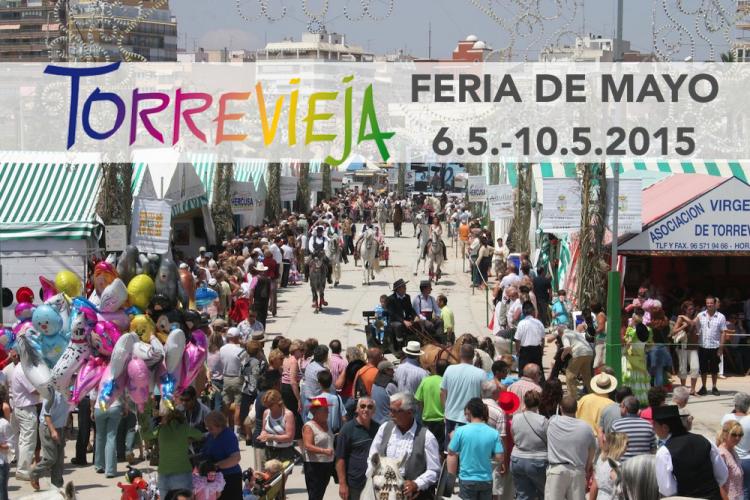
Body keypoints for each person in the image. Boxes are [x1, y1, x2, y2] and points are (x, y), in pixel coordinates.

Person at [368, 393, 441, 499]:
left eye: (395, 411)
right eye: (390, 410)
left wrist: (416, 484)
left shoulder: (427, 437)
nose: (390, 414)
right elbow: (372, 456)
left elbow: (434, 470)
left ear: (409, 412)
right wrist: (373, 477)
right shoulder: (384, 428)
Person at [653, 405, 728, 499]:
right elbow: (722, 474)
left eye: (654, 425)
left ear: (665, 427)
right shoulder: (705, 440)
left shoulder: (664, 452)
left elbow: (667, 489)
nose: (653, 429)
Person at [447, 398, 504, 500]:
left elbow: (451, 453)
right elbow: (499, 457)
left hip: (467, 479)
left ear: (469, 412)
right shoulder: (494, 433)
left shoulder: (460, 431)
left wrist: (450, 479)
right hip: (486, 479)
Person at [545, 396, 596, 500]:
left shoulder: (553, 421)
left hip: (556, 471)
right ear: (576, 409)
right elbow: (592, 450)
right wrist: (587, 468)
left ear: (561, 408)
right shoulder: (586, 427)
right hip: (577, 471)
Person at [145, 408, 203, 499]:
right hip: (183, 473)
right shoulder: (185, 428)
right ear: (182, 419)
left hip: (164, 474)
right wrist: (190, 439)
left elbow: (147, 435)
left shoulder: (160, 429)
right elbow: (200, 435)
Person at [441, 344, 487, 445]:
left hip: (451, 416)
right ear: (473, 356)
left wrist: (445, 410)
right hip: (471, 419)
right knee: (468, 450)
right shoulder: (481, 373)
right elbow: (484, 396)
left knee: (451, 450)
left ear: (460, 354)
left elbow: (443, 392)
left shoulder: (449, 369)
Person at [336, 397, 379, 500]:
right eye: (362, 406)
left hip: (374, 483)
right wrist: (342, 484)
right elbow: (340, 459)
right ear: (357, 409)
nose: (366, 409)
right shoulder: (347, 429)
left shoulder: (378, 429)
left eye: (370, 407)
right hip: (355, 484)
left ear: (374, 411)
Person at [511, 390, 548, 500]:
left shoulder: (516, 418)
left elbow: (513, 436)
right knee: (545, 493)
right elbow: (548, 439)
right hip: (538, 460)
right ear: (539, 403)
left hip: (517, 459)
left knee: (523, 495)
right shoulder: (543, 420)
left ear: (524, 402)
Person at [29, 391, 69, 490]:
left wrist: (65, 427)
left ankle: (57, 485)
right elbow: (46, 414)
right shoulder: (52, 393)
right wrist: (53, 430)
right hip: (48, 427)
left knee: (59, 460)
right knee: (50, 458)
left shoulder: (68, 392)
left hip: (60, 427)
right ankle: (34, 472)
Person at [202, 411, 243, 500]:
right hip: (215, 478)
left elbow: (236, 458)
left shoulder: (228, 436)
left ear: (219, 425)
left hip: (230, 477)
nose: (208, 430)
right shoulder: (211, 436)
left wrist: (216, 465)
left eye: (210, 427)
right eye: (207, 427)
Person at [302, 397, 335, 500]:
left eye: (327, 410)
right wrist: (324, 451)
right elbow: (307, 446)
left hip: (327, 464)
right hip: (314, 465)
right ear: (315, 411)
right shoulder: (309, 426)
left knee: (319, 494)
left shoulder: (327, 424)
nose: (328, 412)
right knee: (315, 495)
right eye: (325, 410)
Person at [10, 365, 39, 481]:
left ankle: (22, 468)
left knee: (24, 441)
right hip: (26, 409)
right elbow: (34, 389)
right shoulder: (22, 370)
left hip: (22, 408)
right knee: (28, 441)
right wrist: (49, 389)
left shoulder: (20, 368)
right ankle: (23, 470)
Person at [415, 358, 448, 454]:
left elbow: (418, 400)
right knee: (440, 449)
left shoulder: (426, 381)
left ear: (436, 369)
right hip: (442, 420)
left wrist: (423, 412)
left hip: (427, 420)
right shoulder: (447, 382)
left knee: (427, 447)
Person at [698, 295, 727, 396]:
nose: (709, 305)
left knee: (714, 369)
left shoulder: (721, 316)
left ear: (715, 304)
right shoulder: (700, 315)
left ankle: (714, 387)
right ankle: (703, 387)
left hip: (715, 347)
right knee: (703, 369)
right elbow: (694, 326)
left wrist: (721, 348)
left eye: (711, 303)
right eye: (707, 303)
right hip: (703, 346)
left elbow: (723, 332)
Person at [257, 389, 296, 461]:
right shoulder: (266, 412)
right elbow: (263, 430)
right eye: (267, 405)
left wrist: (271, 437)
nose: (269, 407)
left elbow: (289, 437)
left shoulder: (288, 414)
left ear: (279, 402)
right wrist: (263, 435)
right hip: (269, 451)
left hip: (285, 452)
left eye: (270, 405)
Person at [589, 432, 628, 500]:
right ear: (620, 446)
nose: (627, 447)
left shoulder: (601, 460)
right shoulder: (615, 465)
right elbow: (620, 488)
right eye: (627, 444)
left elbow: (595, 484)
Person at [672, 300, 700, 393]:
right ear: (685, 309)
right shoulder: (680, 318)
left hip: (693, 346)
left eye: (692, 309)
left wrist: (685, 317)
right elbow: (673, 331)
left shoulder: (694, 318)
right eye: (689, 309)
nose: (692, 311)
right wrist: (683, 326)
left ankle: (692, 390)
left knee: (695, 368)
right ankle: (683, 389)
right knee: (683, 368)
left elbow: (692, 323)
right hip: (683, 346)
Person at [559, 324, 594, 398]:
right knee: (587, 376)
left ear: (560, 333)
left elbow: (567, 347)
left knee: (570, 375)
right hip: (589, 352)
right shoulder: (575, 332)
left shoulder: (564, 335)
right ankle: (593, 394)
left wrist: (563, 355)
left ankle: (572, 397)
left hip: (579, 353)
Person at [623, 318, 651, 407]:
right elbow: (650, 346)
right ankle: (642, 400)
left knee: (632, 381)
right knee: (641, 382)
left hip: (631, 360)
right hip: (641, 360)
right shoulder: (647, 332)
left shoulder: (632, 332)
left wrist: (625, 351)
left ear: (634, 322)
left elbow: (628, 345)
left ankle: (631, 402)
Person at [385, 279, 418, 352]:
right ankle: (400, 346)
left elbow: (410, 309)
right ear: (398, 289)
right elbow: (393, 314)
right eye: (404, 287)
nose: (405, 288)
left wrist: (415, 316)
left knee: (418, 323)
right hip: (394, 321)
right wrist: (404, 321)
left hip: (406, 319)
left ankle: (415, 344)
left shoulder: (407, 297)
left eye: (405, 286)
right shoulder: (390, 299)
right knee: (399, 326)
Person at [94, 391, 122, 478]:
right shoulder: (118, 380)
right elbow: (123, 393)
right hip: (115, 406)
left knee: (100, 436)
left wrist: (91, 409)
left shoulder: (99, 381)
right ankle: (110, 470)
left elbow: (92, 395)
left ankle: (99, 465)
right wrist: (125, 406)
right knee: (111, 437)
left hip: (100, 406)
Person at [515, 301, 546, 375]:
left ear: (523, 312)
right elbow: (542, 339)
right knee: (538, 372)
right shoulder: (539, 323)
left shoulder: (521, 324)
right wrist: (541, 350)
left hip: (525, 351)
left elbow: (517, 340)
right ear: (533, 311)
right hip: (536, 350)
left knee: (523, 372)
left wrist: (518, 351)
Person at [717, 420, 745, 500]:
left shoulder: (733, 451)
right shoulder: (722, 454)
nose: (737, 438)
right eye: (734, 434)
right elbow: (720, 484)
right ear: (725, 434)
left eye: (740, 435)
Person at [371, 361, 399, 426]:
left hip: (374, 421)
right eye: (391, 370)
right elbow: (399, 404)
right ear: (386, 370)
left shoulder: (374, 384)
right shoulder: (390, 385)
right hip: (388, 423)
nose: (393, 372)